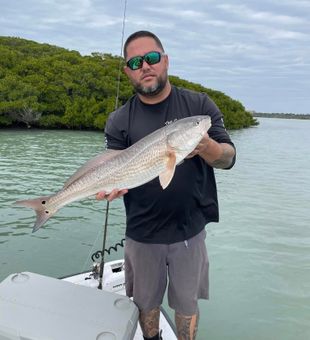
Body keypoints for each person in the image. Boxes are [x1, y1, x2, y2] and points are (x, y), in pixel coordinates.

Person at [96, 31, 236, 340]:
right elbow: (112, 166)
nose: (145, 66)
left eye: (152, 58)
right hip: (142, 232)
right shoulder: (119, 119)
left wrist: (207, 147)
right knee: (146, 304)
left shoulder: (198, 105)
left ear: (166, 60)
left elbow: (228, 157)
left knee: (187, 304)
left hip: (190, 231)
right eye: (135, 61)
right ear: (127, 71)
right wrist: (111, 187)